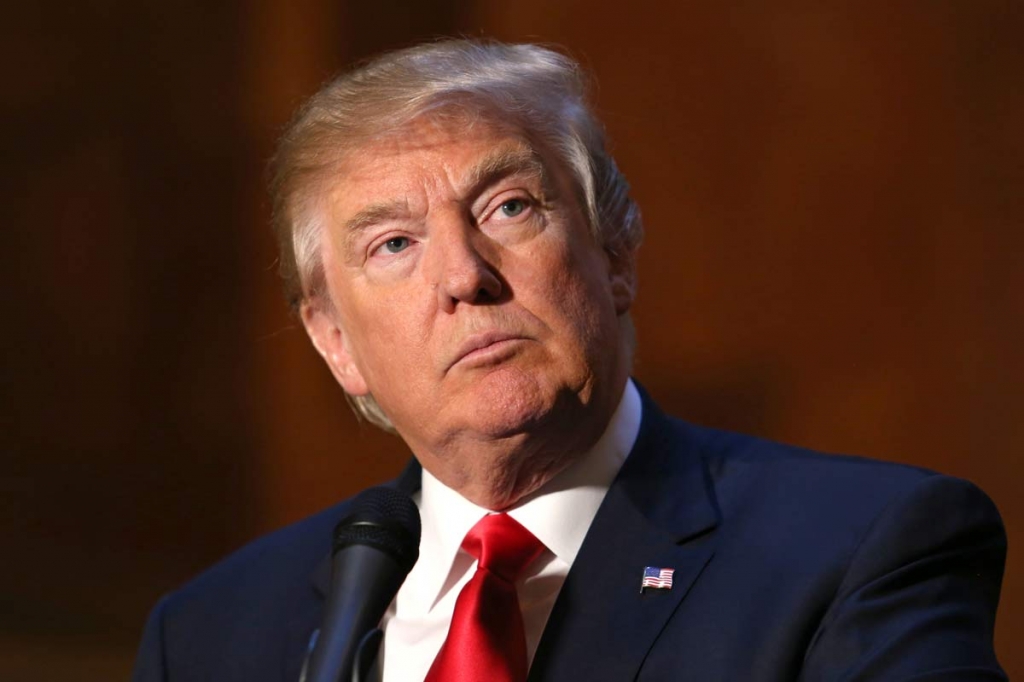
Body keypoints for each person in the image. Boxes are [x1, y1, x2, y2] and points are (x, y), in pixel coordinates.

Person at [132, 39, 1007, 681]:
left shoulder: (860, 553)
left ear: (616, 254)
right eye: (394, 243)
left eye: (509, 207)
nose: (464, 277)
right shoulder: (211, 636)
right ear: (334, 343)